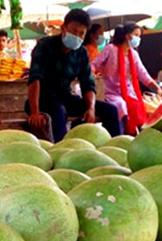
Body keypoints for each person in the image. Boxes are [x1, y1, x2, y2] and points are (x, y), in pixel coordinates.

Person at [26, 9, 120, 142]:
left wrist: (91, 109)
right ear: (63, 28)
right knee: (59, 111)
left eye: (81, 33)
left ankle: (115, 149)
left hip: (66, 98)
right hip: (42, 99)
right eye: (74, 31)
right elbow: (35, 78)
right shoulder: (45, 46)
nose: (77, 36)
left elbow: (88, 83)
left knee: (111, 110)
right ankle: (61, 151)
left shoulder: (81, 53)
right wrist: (34, 112)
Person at [93, 23, 162, 135]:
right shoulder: (110, 49)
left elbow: (143, 74)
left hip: (128, 92)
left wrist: (157, 88)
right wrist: (91, 73)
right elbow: (94, 64)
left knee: (138, 105)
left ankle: (137, 136)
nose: (138, 39)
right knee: (121, 105)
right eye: (136, 35)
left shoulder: (134, 54)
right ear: (128, 36)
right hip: (110, 92)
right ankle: (119, 135)